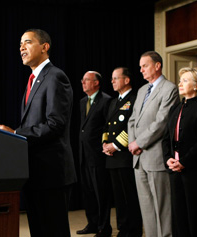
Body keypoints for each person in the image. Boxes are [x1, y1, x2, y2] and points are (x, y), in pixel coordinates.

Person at [0, 28, 76, 237]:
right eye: (20, 44)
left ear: (44, 47)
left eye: (27, 42)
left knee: (53, 231)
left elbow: (55, 124)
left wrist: (16, 133)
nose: (21, 48)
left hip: (52, 173)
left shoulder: (56, 77)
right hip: (35, 171)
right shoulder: (34, 79)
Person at [128, 51, 179, 237]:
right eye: (140, 66)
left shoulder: (170, 89)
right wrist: (133, 143)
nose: (141, 70)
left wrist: (139, 142)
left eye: (145, 65)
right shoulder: (142, 90)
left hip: (155, 156)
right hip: (138, 158)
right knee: (147, 207)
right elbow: (132, 119)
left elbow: (162, 122)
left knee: (162, 206)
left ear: (157, 66)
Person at [161, 67, 197, 237]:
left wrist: (183, 162)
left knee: (195, 217)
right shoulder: (175, 108)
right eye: (180, 80)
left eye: (185, 80)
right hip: (175, 171)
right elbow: (166, 138)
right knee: (178, 216)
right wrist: (168, 159)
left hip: (195, 171)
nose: (180, 84)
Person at [102, 67, 142, 237]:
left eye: (116, 78)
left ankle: (133, 230)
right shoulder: (113, 102)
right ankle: (123, 228)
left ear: (126, 80)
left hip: (125, 154)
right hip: (112, 157)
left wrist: (116, 145)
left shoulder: (135, 99)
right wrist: (105, 143)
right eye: (112, 78)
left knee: (129, 196)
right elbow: (107, 126)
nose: (112, 81)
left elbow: (132, 127)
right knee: (118, 198)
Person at [78, 70, 113, 237]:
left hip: (98, 155)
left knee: (101, 193)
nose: (83, 83)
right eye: (83, 80)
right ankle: (92, 223)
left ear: (96, 83)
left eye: (86, 80)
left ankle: (104, 227)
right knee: (88, 192)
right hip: (83, 155)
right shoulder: (82, 101)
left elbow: (107, 127)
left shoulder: (106, 101)